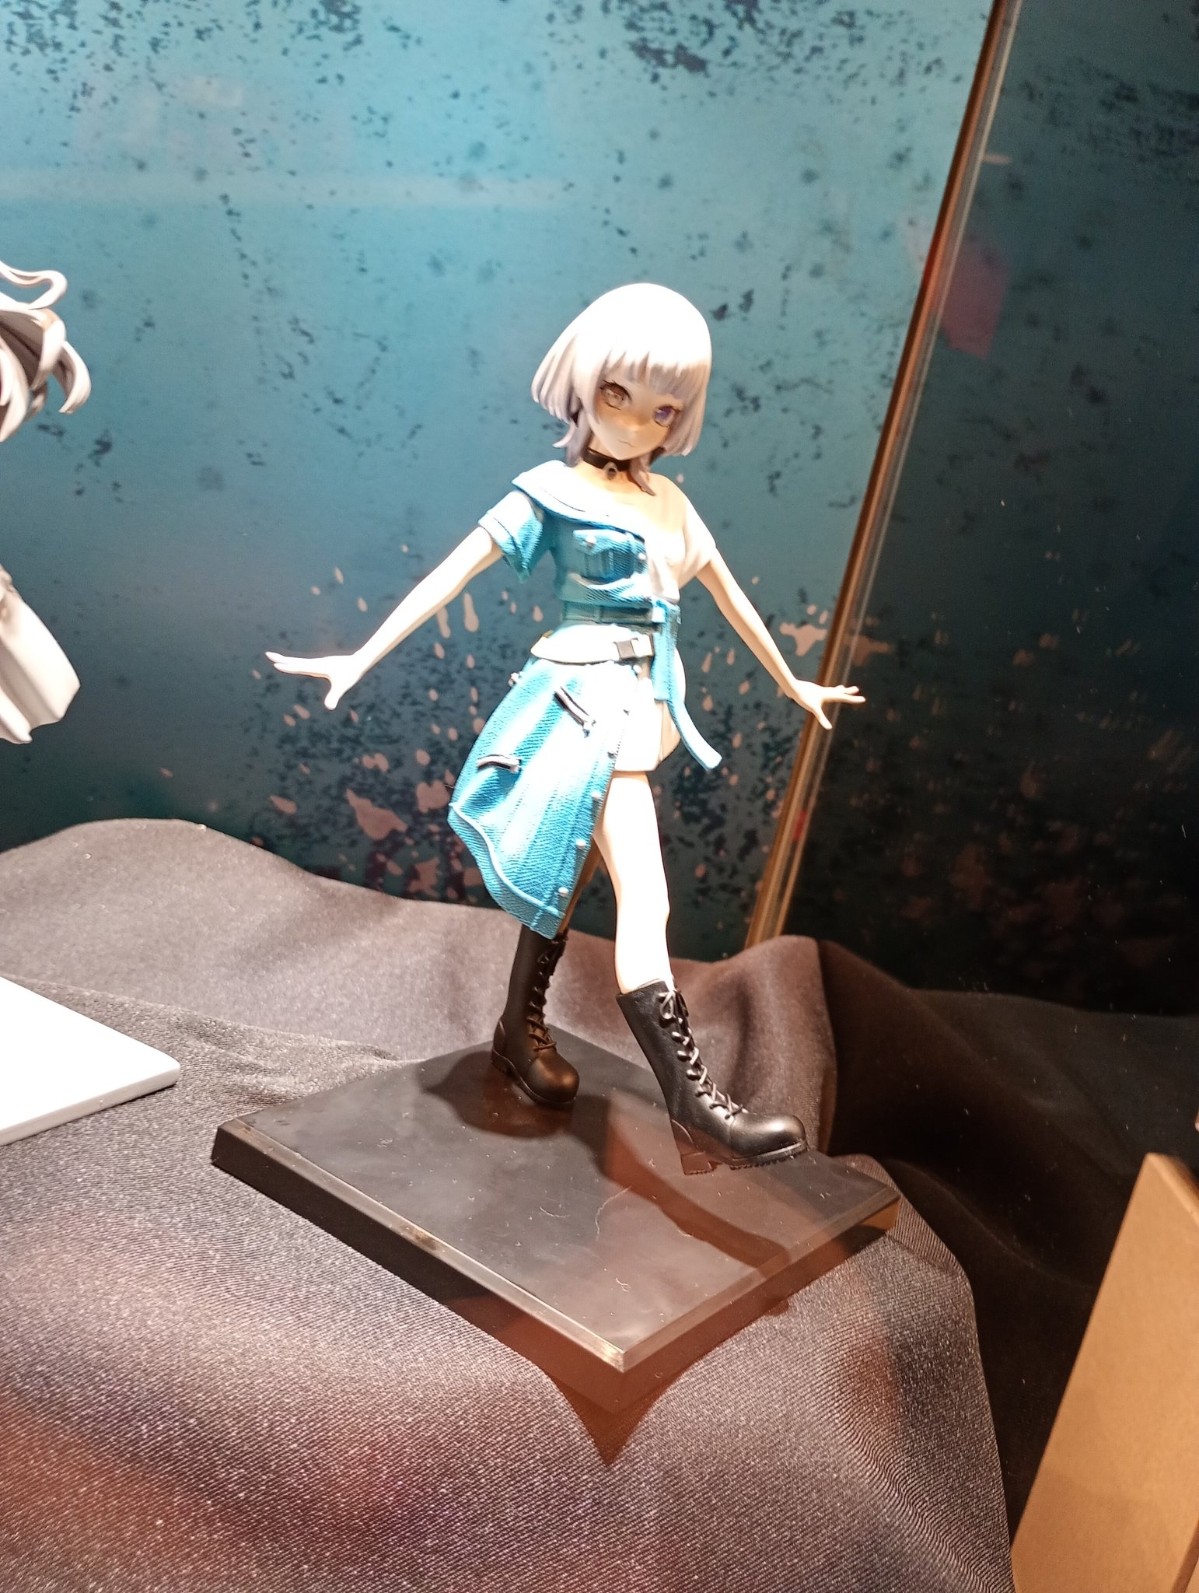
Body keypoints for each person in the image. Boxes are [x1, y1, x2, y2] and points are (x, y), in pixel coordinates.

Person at [268, 283, 864, 1174]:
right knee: (646, 898)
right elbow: (452, 573)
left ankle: (517, 1028)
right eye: (619, 394)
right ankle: (695, 1106)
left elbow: (729, 596)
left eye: (663, 409)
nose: (636, 422)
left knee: (566, 875)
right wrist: (360, 655)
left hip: (639, 703)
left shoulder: (669, 504)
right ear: (585, 385)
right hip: (584, 706)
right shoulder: (549, 491)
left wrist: (791, 679)